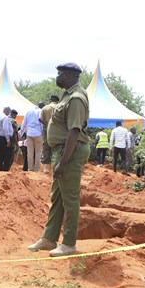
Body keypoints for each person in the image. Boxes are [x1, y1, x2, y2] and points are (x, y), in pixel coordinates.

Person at [28, 62, 90, 257]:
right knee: (58, 197)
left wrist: (63, 163)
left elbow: (74, 131)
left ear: (69, 75)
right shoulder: (68, 95)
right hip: (62, 150)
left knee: (70, 199)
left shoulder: (77, 98)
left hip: (69, 151)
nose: (57, 77)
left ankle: (69, 243)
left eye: (60, 74)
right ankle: (49, 238)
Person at [20, 103, 43, 171]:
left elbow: (24, 123)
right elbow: (41, 124)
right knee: (38, 152)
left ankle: (30, 168)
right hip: (38, 133)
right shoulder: (40, 111)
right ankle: (36, 169)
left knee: (30, 152)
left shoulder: (28, 111)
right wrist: (43, 133)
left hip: (29, 134)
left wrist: (21, 133)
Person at [40, 95, 60, 172]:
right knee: (57, 146)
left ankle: (46, 168)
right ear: (57, 100)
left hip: (46, 129)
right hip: (57, 129)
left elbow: (40, 119)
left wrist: (47, 125)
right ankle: (55, 166)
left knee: (46, 146)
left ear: (50, 100)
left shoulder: (45, 108)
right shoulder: (59, 107)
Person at [0, 106, 13, 171]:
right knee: (7, 154)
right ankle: (5, 169)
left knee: (1, 153)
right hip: (4, 137)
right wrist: (8, 140)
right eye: (9, 112)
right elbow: (5, 129)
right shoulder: (5, 118)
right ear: (7, 111)